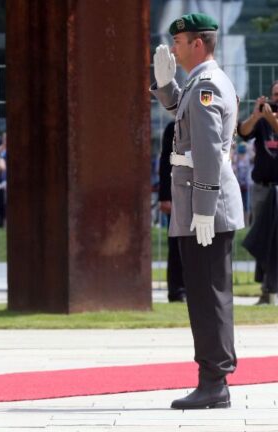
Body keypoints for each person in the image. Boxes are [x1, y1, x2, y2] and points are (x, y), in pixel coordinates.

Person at [150, 13, 244, 409]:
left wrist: (203, 209)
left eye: (179, 42)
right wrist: (162, 82)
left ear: (197, 44)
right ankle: (212, 379)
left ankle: (214, 383)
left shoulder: (207, 86)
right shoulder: (200, 83)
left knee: (209, 297)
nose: (174, 48)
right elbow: (180, 109)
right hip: (200, 206)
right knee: (205, 295)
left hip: (205, 209)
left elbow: (206, 152)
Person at [237, 81, 278, 305]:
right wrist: (255, 115)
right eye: (273, 95)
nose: (275, 100)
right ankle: (267, 290)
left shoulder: (271, 119)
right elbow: (242, 132)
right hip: (263, 186)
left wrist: (271, 118)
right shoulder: (263, 120)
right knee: (263, 239)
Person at [158, 121, 187, 303]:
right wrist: (164, 196)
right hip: (178, 191)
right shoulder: (173, 127)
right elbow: (165, 161)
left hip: (201, 190)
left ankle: (196, 287)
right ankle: (177, 290)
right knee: (176, 244)